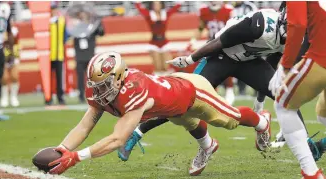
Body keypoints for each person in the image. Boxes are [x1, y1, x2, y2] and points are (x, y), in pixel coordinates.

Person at [117, 8, 315, 163]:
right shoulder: (260, 25)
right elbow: (221, 41)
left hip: (249, 62)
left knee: (285, 94)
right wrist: (190, 59)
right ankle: (137, 133)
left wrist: (260, 100)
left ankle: (307, 145)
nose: (294, 33)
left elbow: (273, 62)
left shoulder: (295, 38)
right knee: (182, 100)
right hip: (222, 55)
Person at [46, 51, 271, 176]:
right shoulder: (102, 89)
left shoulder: (134, 91)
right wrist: (63, 149)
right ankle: (208, 146)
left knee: (228, 120)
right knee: (186, 121)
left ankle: (262, 121)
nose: (99, 91)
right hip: (171, 103)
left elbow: (118, 139)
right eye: (97, 85)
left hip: (193, 92)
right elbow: (85, 125)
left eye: (104, 85)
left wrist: (76, 157)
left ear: (119, 77)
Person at [268, 1, 326, 179]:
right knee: (322, 115)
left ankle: (310, 173)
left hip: (322, 56)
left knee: (283, 105)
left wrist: (285, 65)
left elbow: (298, 24)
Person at [191, 1, 235, 104]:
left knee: (228, 67)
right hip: (211, 44)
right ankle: (212, 93)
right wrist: (192, 40)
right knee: (209, 67)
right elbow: (201, 27)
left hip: (226, 43)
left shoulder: (228, 10)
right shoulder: (204, 11)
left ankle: (229, 91)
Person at [134, 1, 181, 76]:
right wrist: (137, 2)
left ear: (162, 4)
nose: (157, 6)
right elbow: (141, 10)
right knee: (158, 68)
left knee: (165, 67)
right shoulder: (149, 15)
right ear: (152, 5)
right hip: (154, 44)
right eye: (155, 4)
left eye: (158, 4)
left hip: (164, 43)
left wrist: (179, 2)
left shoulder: (165, 14)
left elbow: (174, 9)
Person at [73, 11, 105, 103]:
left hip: (90, 55)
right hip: (79, 55)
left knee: (92, 77)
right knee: (80, 77)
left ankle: (93, 94)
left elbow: (101, 33)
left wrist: (99, 23)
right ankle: (81, 95)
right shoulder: (76, 27)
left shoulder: (92, 26)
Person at [230, 1, 258, 96]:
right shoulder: (231, 8)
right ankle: (241, 89)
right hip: (236, 41)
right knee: (239, 65)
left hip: (249, 41)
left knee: (254, 66)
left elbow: (256, 22)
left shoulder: (249, 6)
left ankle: (257, 90)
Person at [48, 2, 70, 105]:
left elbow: (66, 35)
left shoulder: (61, 20)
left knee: (59, 78)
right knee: (48, 78)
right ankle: (48, 98)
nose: (54, 11)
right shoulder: (46, 21)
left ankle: (60, 97)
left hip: (59, 53)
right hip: (48, 54)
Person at [0, 25, 20, 108]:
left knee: (14, 76)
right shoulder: (0, 29)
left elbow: (17, 42)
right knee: (4, 77)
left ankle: (13, 96)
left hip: (13, 55)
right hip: (3, 55)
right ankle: (4, 97)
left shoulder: (14, 30)